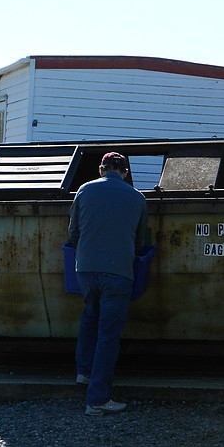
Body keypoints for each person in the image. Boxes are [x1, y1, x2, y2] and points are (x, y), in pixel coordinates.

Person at [68, 152, 148, 416]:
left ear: (101, 169)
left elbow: (73, 233)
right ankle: (97, 399)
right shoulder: (137, 197)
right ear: (125, 172)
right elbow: (139, 242)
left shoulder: (84, 189)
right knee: (108, 334)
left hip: (85, 269)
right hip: (118, 271)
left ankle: (83, 371)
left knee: (90, 314)